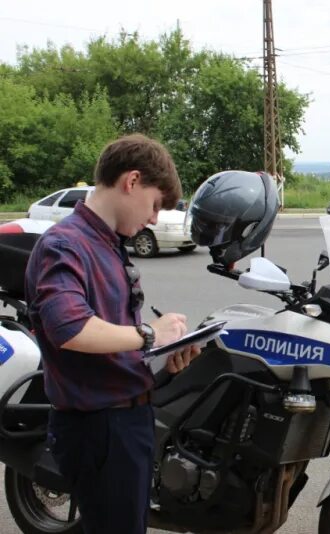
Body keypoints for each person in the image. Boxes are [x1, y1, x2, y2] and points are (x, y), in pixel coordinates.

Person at [25, 134, 201, 534]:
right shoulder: (65, 244)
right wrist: (148, 334)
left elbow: (112, 338)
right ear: (132, 181)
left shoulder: (107, 242)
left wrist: (167, 354)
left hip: (124, 421)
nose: (155, 218)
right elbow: (69, 328)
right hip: (100, 429)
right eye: (155, 204)